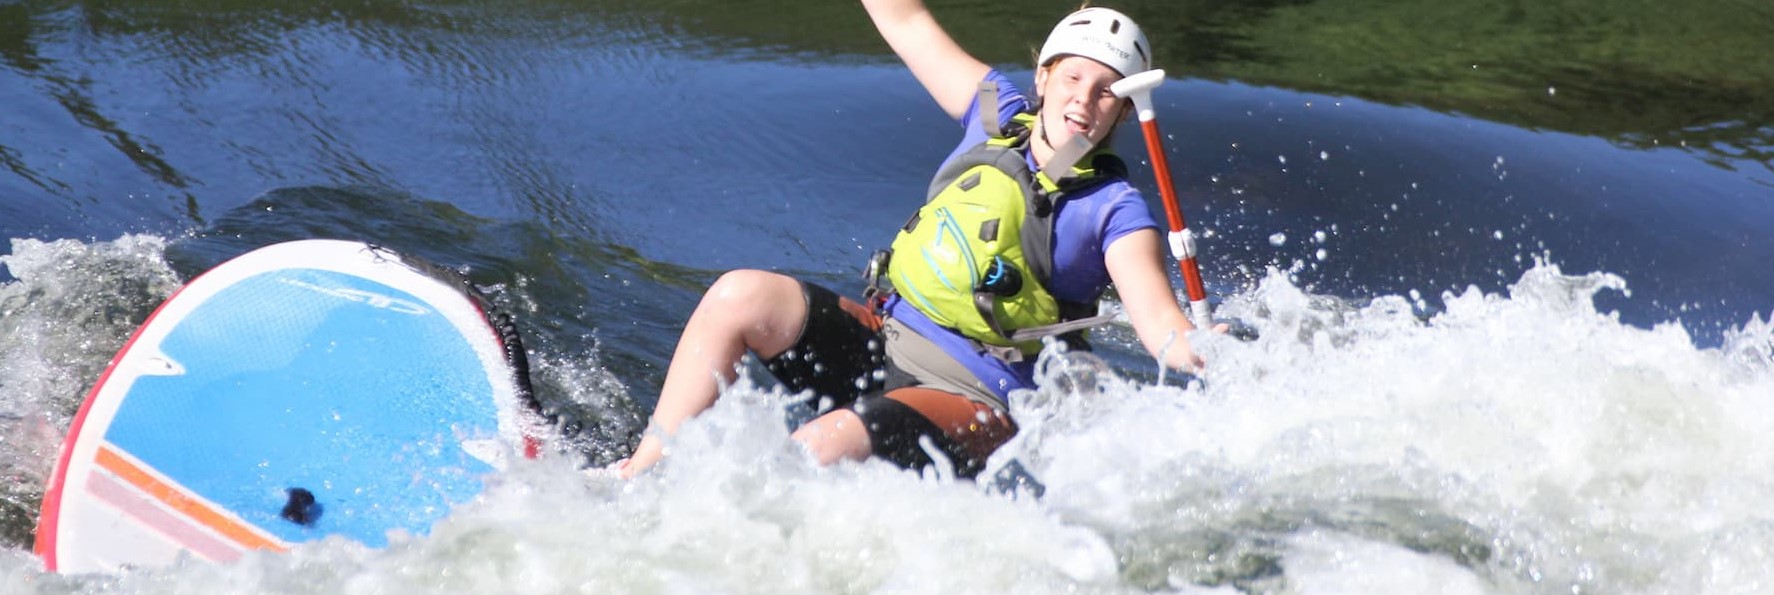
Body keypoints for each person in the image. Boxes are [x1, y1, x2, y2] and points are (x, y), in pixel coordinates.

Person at [614, 1, 1215, 479]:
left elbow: (1158, 321)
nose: (1083, 99)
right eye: (1074, 76)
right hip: (889, 345)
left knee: (819, 446)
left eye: (1107, 90)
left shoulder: (1114, 209)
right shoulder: (993, 113)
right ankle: (641, 475)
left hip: (982, 401)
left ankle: (716, 532)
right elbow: (904, 17)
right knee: (739, 295)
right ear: (1044, 75)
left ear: (1124, 111)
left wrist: (1191, 347)